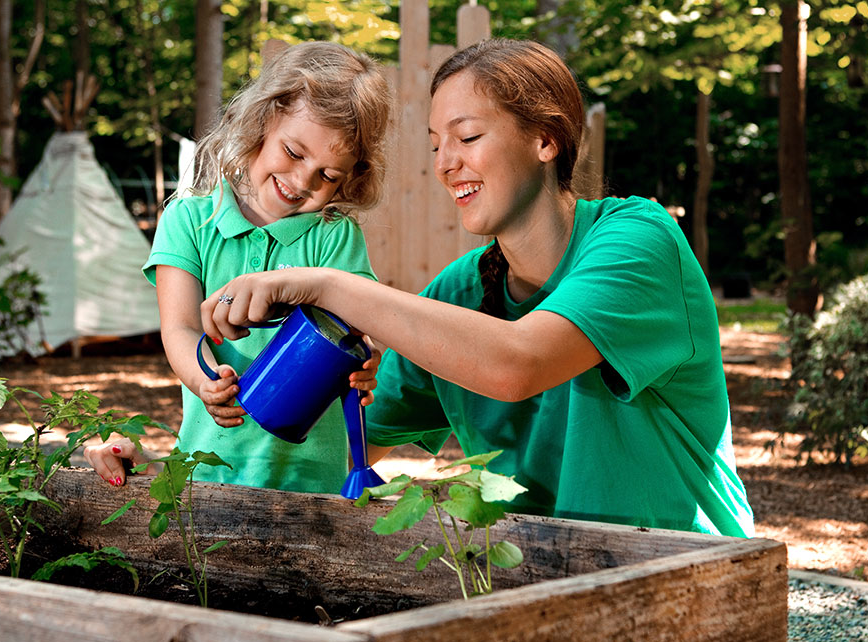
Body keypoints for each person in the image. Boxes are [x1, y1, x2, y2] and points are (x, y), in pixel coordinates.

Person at [201, 38, 755, 538]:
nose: (446, 164)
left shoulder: (638, 240)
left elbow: (518, 364)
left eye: (467, 137)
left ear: (546, 138)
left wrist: (324, 285)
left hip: (687, 575)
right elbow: (336, 447)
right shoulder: (459, 294)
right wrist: (142, 460)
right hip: (537, 587)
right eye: (436, 144)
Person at [84, 41, 390, 494]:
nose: (303, 181)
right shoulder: (190, 221)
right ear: (263, 120)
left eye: (328, 175)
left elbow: (360, 329)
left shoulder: (335, 235)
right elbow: (181, 329)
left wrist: (365, 360)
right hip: (208, 475)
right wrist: (206, 381)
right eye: (294, 151)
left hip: (310, 488)